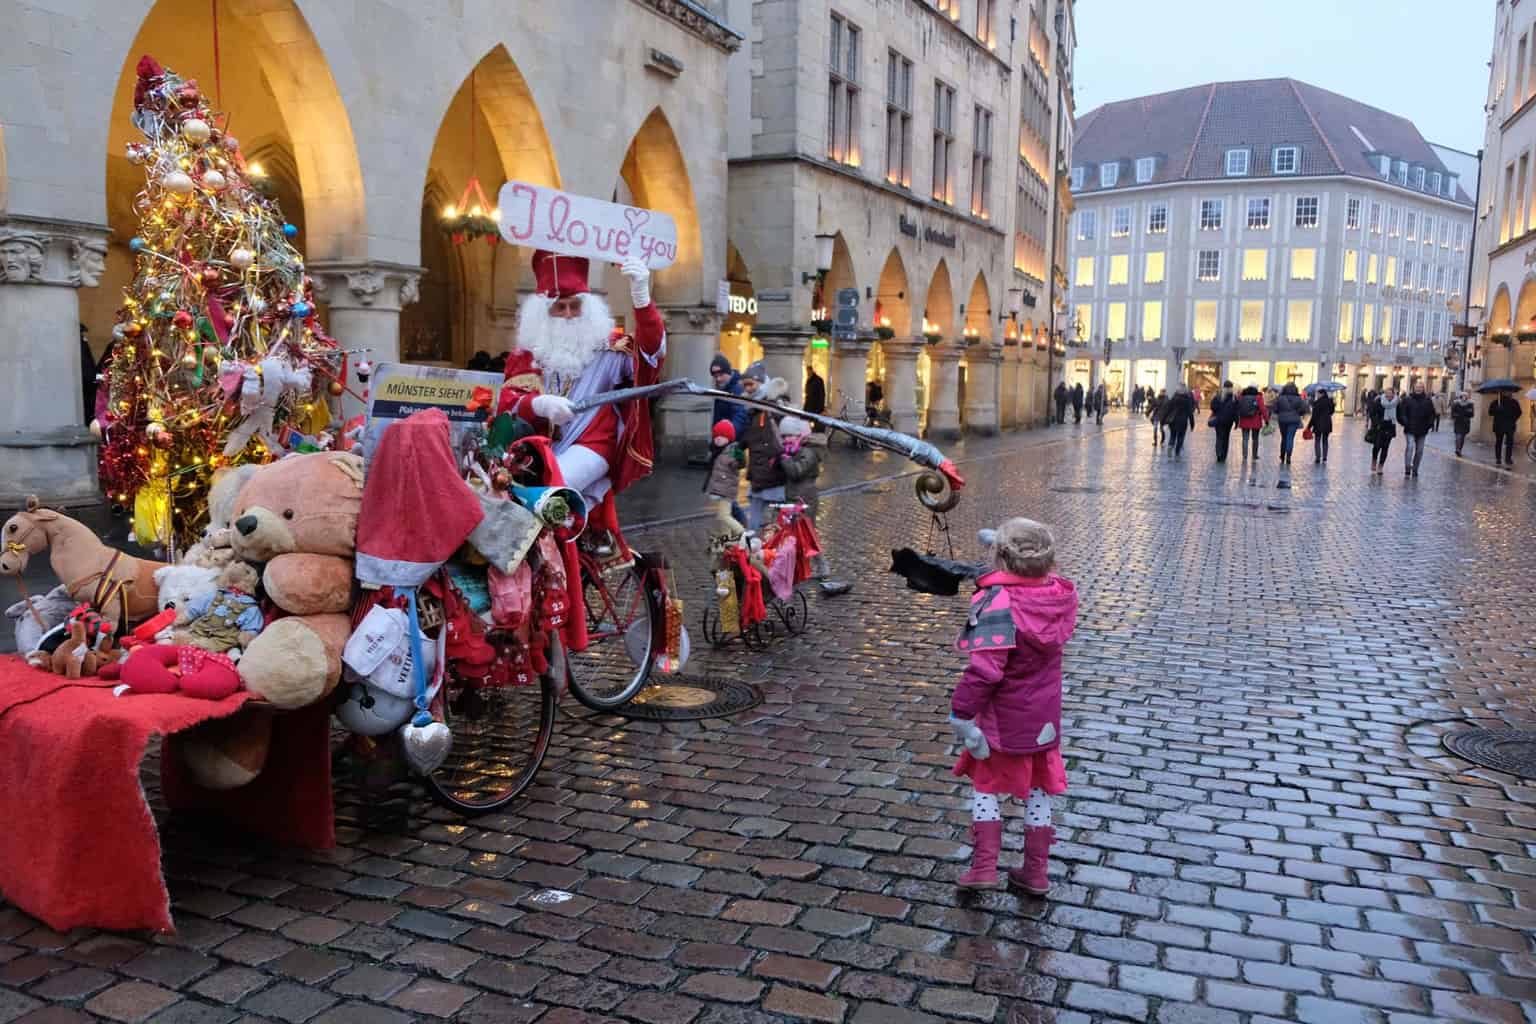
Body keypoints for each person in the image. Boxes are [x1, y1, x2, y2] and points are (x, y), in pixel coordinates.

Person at [948, 518, 1078, 893]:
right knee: (1039, 791)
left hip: (1002, 722)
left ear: (1002, 559)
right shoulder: (1057, 596)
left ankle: (984, 868)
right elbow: (1032, 575)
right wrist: (1001, 549)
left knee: (986, 788)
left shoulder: (997, 604)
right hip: (1043, 720)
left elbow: (985, 672)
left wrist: (961, 714)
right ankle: (1035, 872)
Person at [497, 250, 664, 514]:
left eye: (575, 306)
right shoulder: (526, 355)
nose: (568, 314)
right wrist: (538, 404)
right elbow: (507, 403)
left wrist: (642, 299)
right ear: (543, 313)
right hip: (538, 448)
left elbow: (650, 357)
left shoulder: (609, 349)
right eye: (559, 307)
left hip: (593, 444)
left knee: (549, 492)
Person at [778, 415, 850, 595]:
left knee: (807, 534)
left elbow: (796, 472)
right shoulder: (796, 450)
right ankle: (798, 568)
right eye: (784, 436)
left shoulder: (807, 453)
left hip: (805, 498)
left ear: (800, 435)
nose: (787, 439)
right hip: (795, 496)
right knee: (794, 534)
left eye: (790, 436)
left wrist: (785, 459)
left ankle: (821, 566)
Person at [739, 361, 789, 528]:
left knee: (779, 518)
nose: (748, 389)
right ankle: (754, 549)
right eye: (745, 385)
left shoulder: (772, 407)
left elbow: (782, 437)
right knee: (757, 515)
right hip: (759, 470)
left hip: (772, 470)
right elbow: (752, 437)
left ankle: (779, 549)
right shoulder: (752, 408)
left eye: (751, 384)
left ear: (761, 383)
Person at [703, 420, 745, 531]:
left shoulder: (732, 450)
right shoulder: (716, 450)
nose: (718, 438)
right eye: (716, 436)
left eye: (722, 436)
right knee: (723, 519)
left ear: (729, 438)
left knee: (723, 516)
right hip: (720, 489)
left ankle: (741, 532)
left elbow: (739, 464)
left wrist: (739, 459)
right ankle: (727, 542)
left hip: (727, 490)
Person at [1397, 382, 1436, 478]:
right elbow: (1401, 413)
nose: (1418, 389)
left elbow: (1432, 414)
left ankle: (1415, 469)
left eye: (1420, 387)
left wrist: (1429, 425)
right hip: (1410, 428)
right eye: (1417, 387)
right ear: (1413, 388)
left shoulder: (1427, 400)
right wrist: (1405, 422)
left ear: (1423, 389)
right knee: (1410, 447)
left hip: (1422, 429)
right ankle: (1407, 468)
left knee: (1419, 450)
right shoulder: (1407, 400)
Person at [708, 354, 750, 440]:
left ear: (728, 372)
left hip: (729, 438)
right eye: (715, 376)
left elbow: (740, 415)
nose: (718, 379)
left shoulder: (737, 389)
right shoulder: (722, 387)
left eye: (721, 375)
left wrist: (728, 435)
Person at [1271, 382, 1308, 466]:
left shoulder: (1280, 398)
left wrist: (1280, 412)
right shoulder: (1298, 398)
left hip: (1283, 420)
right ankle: (1288, 456)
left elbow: (1275, 409)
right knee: (1290, 437)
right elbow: (1304, 409)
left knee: (1284, 437)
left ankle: (1282, 455)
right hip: (1294, 420)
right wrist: (1298, 413)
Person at [1368, 387, 1399, 474]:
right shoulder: (1379, 401)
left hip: (1390, 427)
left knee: (1385, 447)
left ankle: (1381, 466)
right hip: (1379, 427)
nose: (1388, 395)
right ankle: (1374, 460)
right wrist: (1376, 423)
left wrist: (1404, 422)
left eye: (1390, 393)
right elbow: (1372, 413)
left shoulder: (1396, 402)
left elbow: (1399, 414)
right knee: (1377, 446)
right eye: (1387, 393)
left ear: (1393, 394)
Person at [1161, 384, 1196, 458]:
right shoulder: (1187, 400)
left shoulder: (1174, 398)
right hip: (1182, 422)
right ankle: (1177, 453)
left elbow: (1167, 409)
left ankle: (1170, 446)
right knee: (1181, 437)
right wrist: (1192, 424)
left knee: (1172, 435)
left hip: (1173, 421)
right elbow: (1190, 413)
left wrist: (1163, 420)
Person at [1489, 390, 1522, 467]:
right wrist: (1497, 409)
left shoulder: (1514, 402)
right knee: (1499, 442)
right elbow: (1490, 412)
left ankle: (1508, 458)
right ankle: (1498, 459)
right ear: (1502, 393)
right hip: (1499, 426)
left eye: (1509, 392)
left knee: (1509, 443)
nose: (1509, 394)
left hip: (1509, 426)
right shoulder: (1496, 402)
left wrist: (1513, 419)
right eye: (1507, 392)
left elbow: (1519, 412)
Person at [1209, 381, 1239, 463]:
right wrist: (1237, 422)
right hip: (1228, 421)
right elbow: (1236, 411)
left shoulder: (1218, 396)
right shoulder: (1234, 397)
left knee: (1219, 437)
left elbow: (1212, 406)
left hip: (1218, 421)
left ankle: (1218, 453)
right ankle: (1223, 456)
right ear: (1231, 388)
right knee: (1226, 438)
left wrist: (1218, 409)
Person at [1236, 384, 1268, 461]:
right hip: (1255, 421)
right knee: (1255, 439)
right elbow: (1263, 409)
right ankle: (1254, 455)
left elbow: (1237, 408)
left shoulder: (1241, 397)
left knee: (1245, 439)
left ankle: (1245, 456)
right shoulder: (1258, 397)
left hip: (1244, 420)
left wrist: (1236, 419)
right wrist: (1266, 420)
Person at [1308, 387, 1336, 464]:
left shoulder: (1317, 403)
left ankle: (1317, 457)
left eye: (1318, 394)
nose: (1317, 395)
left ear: (1322, 394)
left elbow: (1314, 416)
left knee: (1317, 440)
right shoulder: (1330, 402)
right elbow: (1331, 412)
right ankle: (1324, 457)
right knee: (1325, 440)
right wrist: (1333, 404)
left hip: (1318, 424)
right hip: (1327, 423)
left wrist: (1309, 426)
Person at [1451, 391, 1476, 456]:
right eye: (1463, 396)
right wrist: (1457, 415)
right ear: (1461, 396)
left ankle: (1459, 449)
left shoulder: (1470, 404)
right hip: (1458, 422)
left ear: (1467, 397)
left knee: (1462, 437)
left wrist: (1468, 413)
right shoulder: (1456, 403)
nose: (1464, 397)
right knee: (1458, 437)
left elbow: (1472, 414)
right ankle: (1457, 449)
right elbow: (1453, 413)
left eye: (1465, 396)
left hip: (1465, 423)